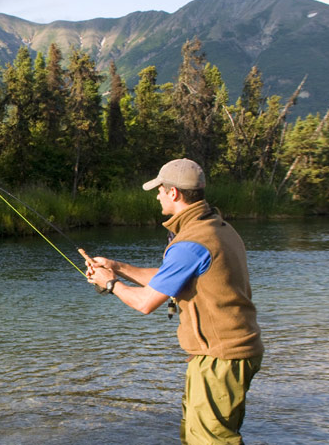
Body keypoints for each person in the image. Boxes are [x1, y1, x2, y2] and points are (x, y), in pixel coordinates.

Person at [85, 158, 264, 445]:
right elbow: (173, 277)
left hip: (221, 356)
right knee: (196, 435)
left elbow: (145, 302)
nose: (156, 195)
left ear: (174, 193)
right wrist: (118, 266)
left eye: (159, 189)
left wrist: (109, 283)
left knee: (211, 441)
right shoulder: (216, 227)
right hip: (223, 352)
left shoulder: (192, 242)